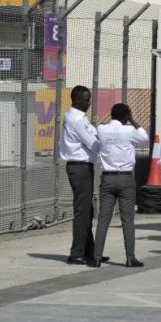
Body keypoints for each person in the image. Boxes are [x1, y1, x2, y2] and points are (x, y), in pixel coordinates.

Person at [92, 103, 148, 268]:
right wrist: (133, 120)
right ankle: (130, 258)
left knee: (103, 219)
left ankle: (96, 257)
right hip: (125, 179)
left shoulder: (102, 129)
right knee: (127, 220)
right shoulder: (129, 130)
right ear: (126, 117)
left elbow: (98, 133)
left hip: (107, 178)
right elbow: (144, 137)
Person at [60, 85, 100, 265]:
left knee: (87, 210)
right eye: (86, 99)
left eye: (89, 99)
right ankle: (76, 253)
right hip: (80, 167)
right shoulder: (75, 120)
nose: (89, 102)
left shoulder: (81, 119)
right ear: (76, 100)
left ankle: (90, 251)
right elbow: (94, 143)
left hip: (85, 167)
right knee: (82, 211)